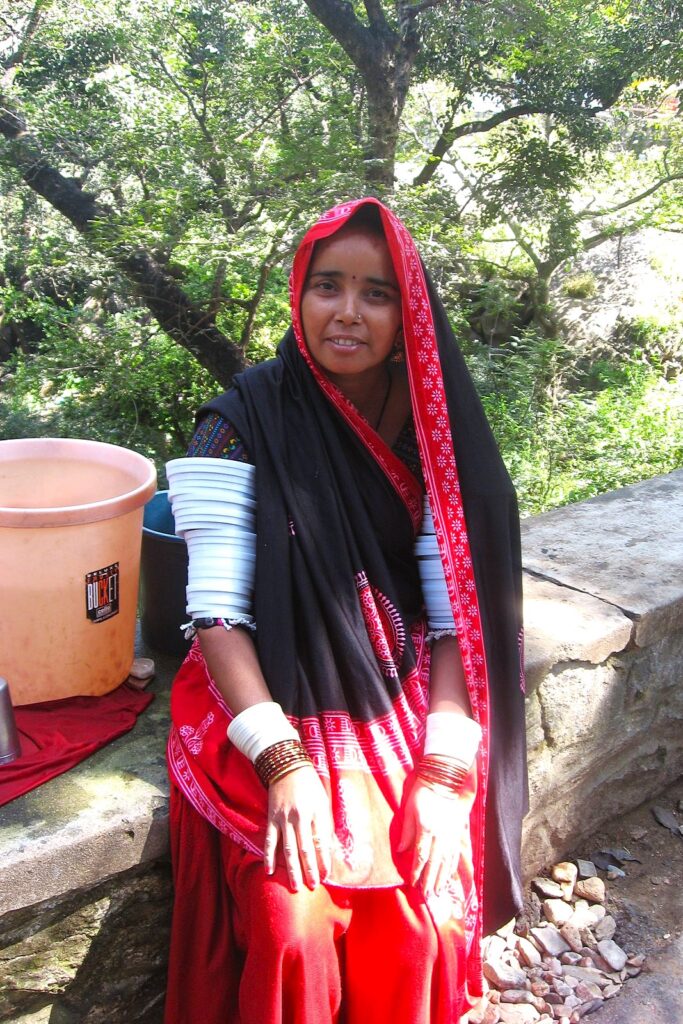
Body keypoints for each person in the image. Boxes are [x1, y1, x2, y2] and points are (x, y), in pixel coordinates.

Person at [164, 198, 527, 1024]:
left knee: (426, 915)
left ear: (409, 314)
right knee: (293, 920)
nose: (348, 314)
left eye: (377, 293)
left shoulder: (434, 432)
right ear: (299, 293)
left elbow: (452, 620)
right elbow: (217, 616)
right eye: (328, 286)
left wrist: (441, 773)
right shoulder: (239, 423)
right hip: (262, 688)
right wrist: (282, 763)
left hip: (396, 679)